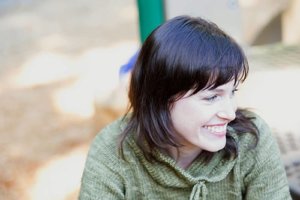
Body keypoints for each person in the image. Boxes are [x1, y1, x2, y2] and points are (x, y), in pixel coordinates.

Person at [79, 15, 292, 199]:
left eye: (232, 92)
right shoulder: (113, 151)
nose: (229, 113)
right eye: (211, 97)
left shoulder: (251, 140)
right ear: (161, 96)